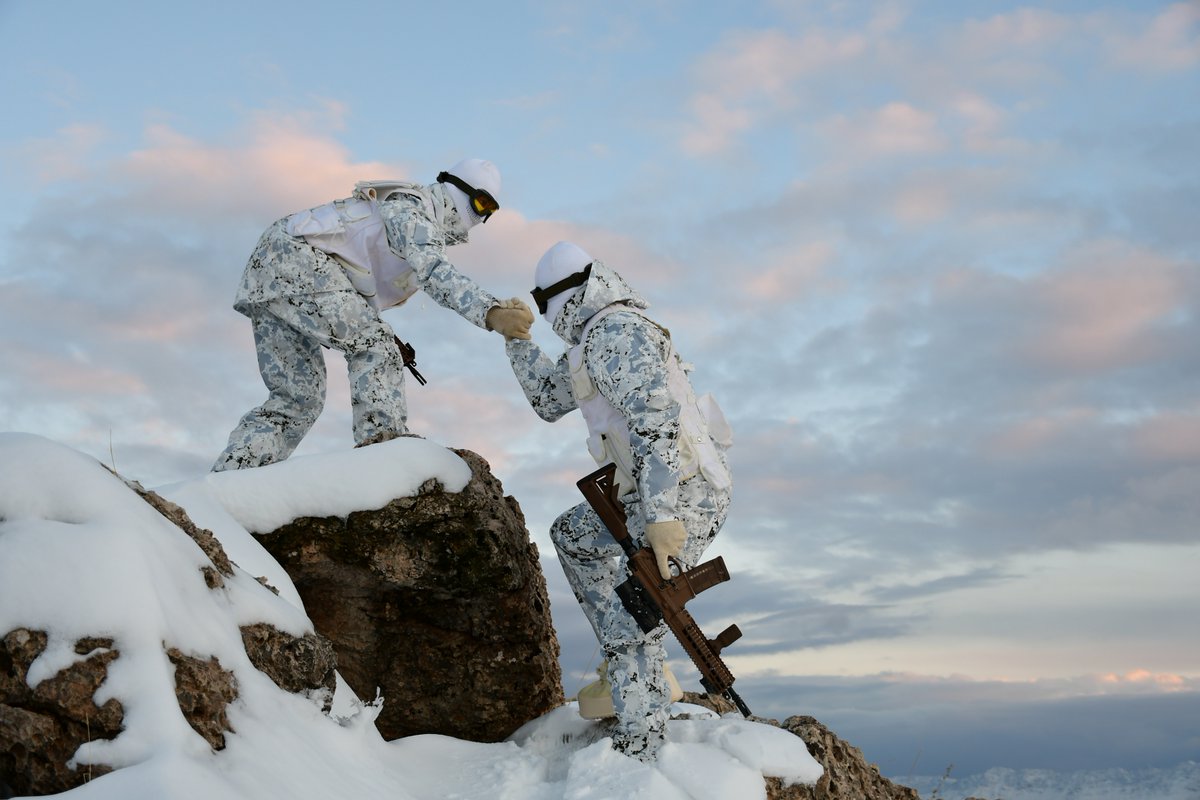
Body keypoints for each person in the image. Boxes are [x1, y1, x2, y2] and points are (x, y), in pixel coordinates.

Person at [503, 240, 733, 761]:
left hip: (682, 493)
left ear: (568, 293)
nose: (545, 316)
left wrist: (662, 518)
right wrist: (517, 341)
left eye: (543, 306)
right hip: (650, 493)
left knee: (638, 603)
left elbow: (656, 424)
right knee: (574, 538)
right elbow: (548, 400)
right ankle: (631, 666)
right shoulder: (590, 342)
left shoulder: (617, 332)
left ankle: (642, 737)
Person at [212, 158, 534, 471]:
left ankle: (230, 481)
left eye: (489, 211)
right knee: (376, 347)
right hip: (295, 260)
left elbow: (350, 276)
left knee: (299, 398)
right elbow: (435, 272)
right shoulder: (413, 209)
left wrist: (382, 332)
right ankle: (383, 456)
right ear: (455, 188)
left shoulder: (413, 217)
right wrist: (491, 311)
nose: (480, 216)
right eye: (479, 203)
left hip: (275, 267)